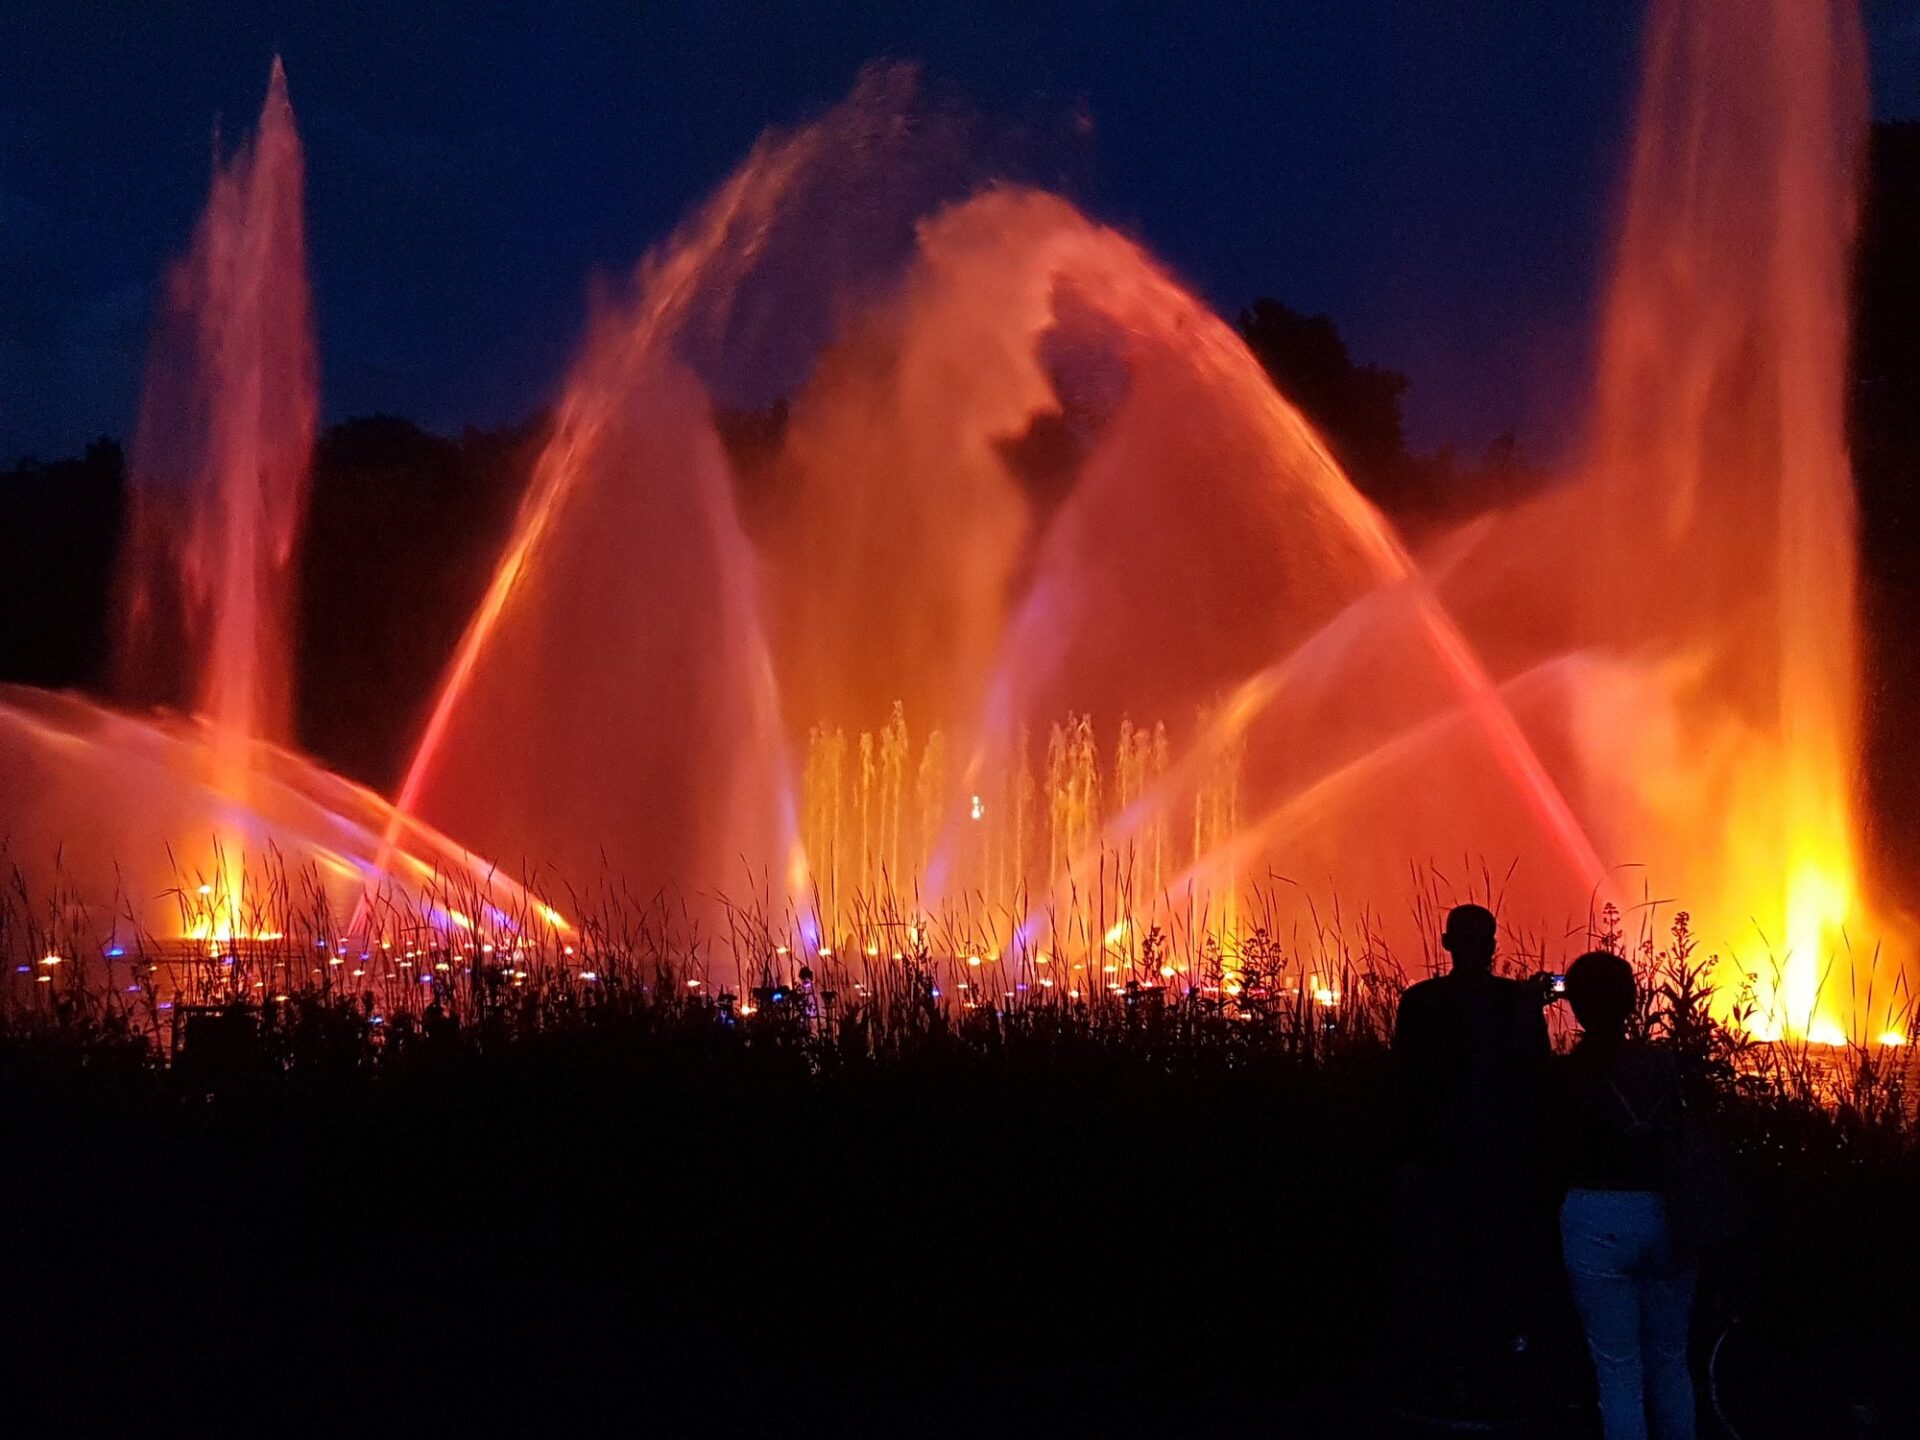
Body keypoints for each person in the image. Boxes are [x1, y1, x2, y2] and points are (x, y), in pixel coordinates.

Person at [1390, 904, 1553, 1397]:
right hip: (1500, 1163)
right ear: (1494, 945)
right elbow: (1538, 1080)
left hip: (1436, 1160)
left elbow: (1402, 1086)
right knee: (1494, 1268)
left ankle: (1436, 1377)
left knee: (1436, 1270)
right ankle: (1494, 1375)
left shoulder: (1419, 1001)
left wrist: (1406, 1157)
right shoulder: (1517, 1003)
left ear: (1446, 943)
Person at [1553, 949, 1698, 1440]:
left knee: (1618, 1370)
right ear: (1634, 1001)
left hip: (1596, 1220)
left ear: (1575, 1005)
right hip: (1668, 1215)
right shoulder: (1664, 1064)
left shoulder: (1571, 1072)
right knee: (1671, 1359)